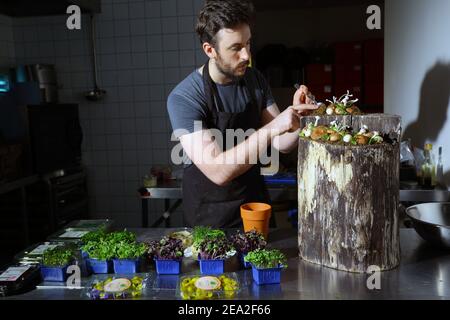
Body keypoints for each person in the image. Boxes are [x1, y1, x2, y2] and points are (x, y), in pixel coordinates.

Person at [167, 0, 317, 228]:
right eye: (236, 48)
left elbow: (282, 143)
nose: (247, 55)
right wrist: (274, 126)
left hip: (254, 208)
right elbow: (218, 171)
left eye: (248, 43)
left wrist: (300, 118)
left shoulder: (254, 80)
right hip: (209, 218)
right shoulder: (185, 97)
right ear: (210, 50)